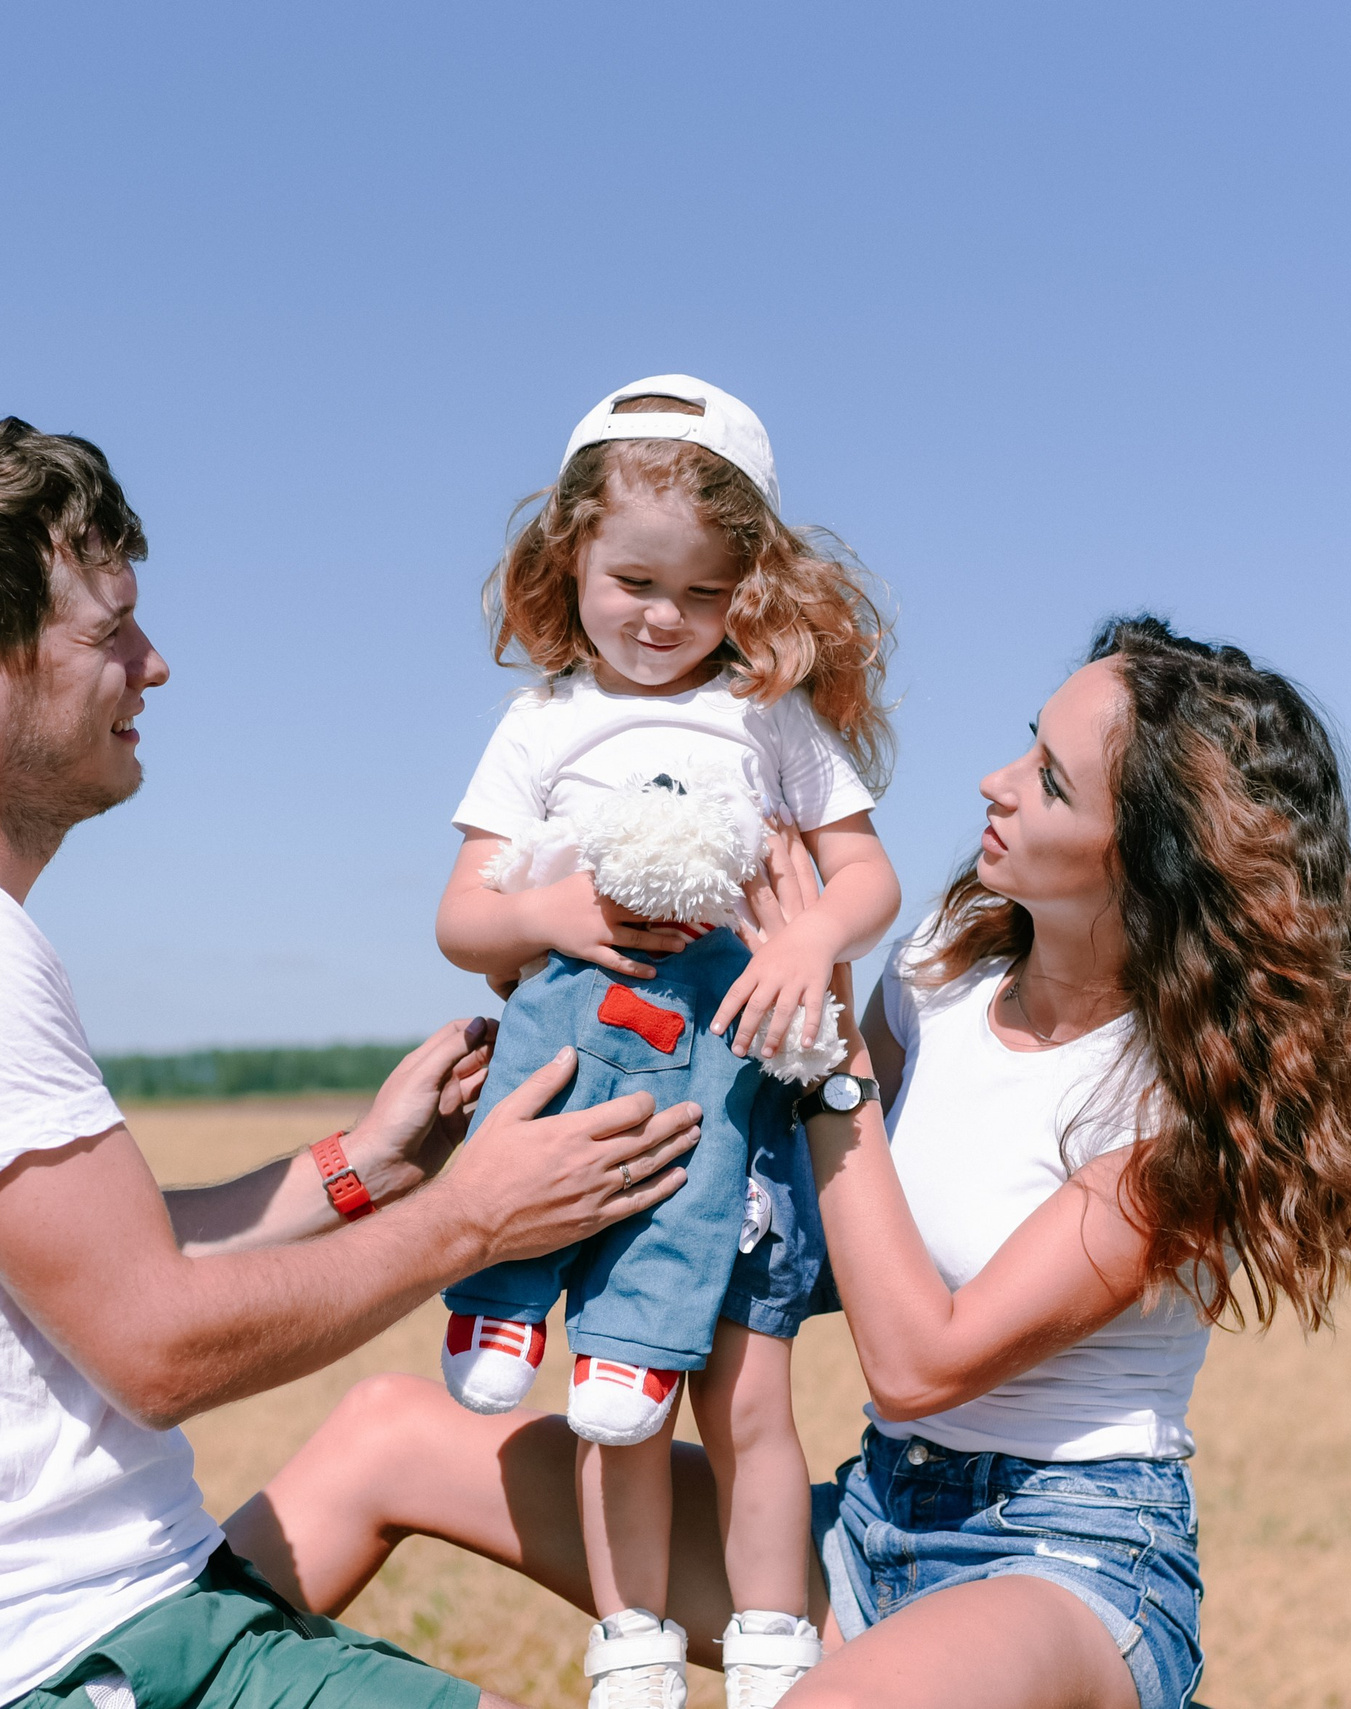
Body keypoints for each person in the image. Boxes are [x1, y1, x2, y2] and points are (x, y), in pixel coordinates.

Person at [235, 615, 1351, 1709]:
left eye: (1049, 778)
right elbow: (807, 1221)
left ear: (1150, 863)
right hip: (860, 1522)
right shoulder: (944, 967)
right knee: (383, 1432)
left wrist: (835, 1065)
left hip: (1066, 1559)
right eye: (1022, 742)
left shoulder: (1170, 1112)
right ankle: (114, 1667)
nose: (995, 781)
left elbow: (918, 1359)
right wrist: (602, 1052)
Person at [0, 416, 705, 1709]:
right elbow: (153, 1346)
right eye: (108, 632)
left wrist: (363, 1168)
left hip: (106, 1626)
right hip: (71, 1663)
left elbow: (100, 1257)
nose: (155, 664)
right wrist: (474, 1218)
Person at [428, 377, 902, 1708]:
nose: (660, 620)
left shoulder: (769, 719)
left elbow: (868, 880)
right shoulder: (541, 723)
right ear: (567, 555)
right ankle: (631, 1648)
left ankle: (770, 1656)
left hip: (737, 1109)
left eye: (700, 595)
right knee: (611, 1400)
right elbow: (464, 918)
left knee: (747, 1402)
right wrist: (548, 910)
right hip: (600, 1110)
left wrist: (812, 944)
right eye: (632, 579)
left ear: (746, 595)